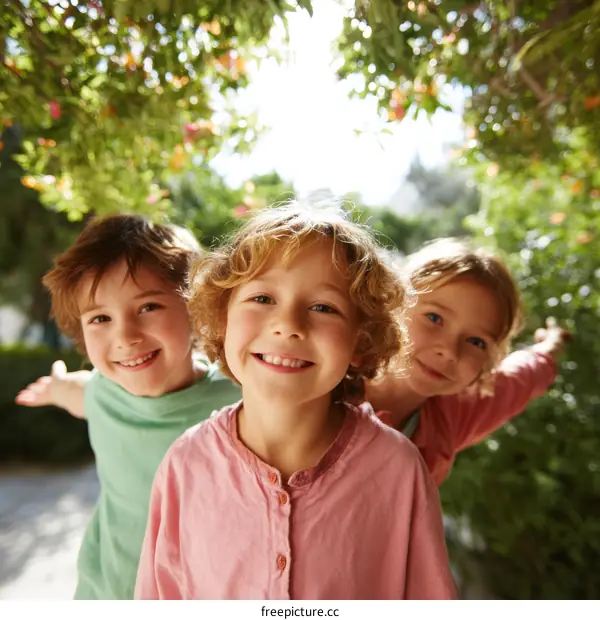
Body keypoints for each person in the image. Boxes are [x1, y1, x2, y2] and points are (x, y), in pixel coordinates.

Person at [134, 203, 457, 600]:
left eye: (324, 307)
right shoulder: (185, 464)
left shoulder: (398, 470)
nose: (287, 324)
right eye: (263, 298)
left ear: (360, 340)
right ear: (223, 318)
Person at [15, 215, 241, 599]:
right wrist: (55, 387)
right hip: (104, 591)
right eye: (100, 318)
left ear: (196, 311)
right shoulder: (102, 393)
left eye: (148, 306)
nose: (125, 336)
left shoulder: (236, 398)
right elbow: (78, 390)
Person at [364, 238, 572, 485]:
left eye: (476, 342)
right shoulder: (328, 381)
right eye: (434, 318)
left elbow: (521, 378)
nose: (450, 351)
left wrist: (550, 346)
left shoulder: (453, 417)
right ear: (394, 302)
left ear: (488, 361)